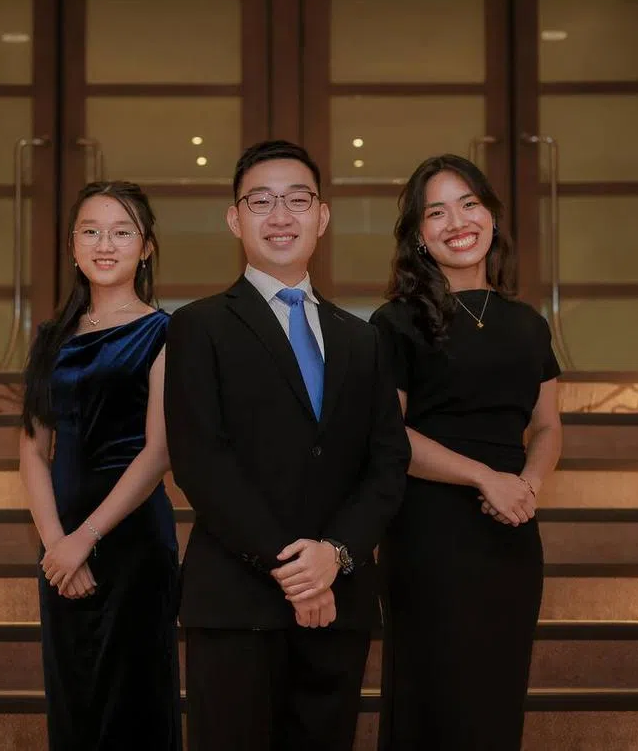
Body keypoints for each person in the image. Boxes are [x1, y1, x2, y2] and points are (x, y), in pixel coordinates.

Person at [164, 140, 410, 751]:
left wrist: (337, 555)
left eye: (297, 201)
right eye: (262, 201)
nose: (281, 216)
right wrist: (296, 571)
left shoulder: (363, 340)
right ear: (235, 218)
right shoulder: (197, 326)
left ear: (322, 217)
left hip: (341, 601)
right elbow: (201, 461)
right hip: (236, 599)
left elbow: (387, 463)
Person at [371, 154, 563, 750]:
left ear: (492, 218)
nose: (457, 220)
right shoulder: (395, 321)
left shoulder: (529, 325)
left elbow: (549, 426)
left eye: (469, 203)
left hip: (511, 530)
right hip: (429, 531)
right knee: (433, 698)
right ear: (420, 237)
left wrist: (526, 485)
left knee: (496, 700)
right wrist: (487, 478)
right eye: (436, 211)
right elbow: (388, 435)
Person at [18, 181, 180, 750]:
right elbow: (34, 450)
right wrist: (56, 544)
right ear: (72, 246)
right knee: (75, 704)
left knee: (133, 707)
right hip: (59, 545)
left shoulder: (165, 332)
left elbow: (157, 452)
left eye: (122, 231)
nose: (104, 244)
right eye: (91, 231)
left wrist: (85, 539)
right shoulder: (50, 337)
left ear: (147, 247)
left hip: (131, 541)